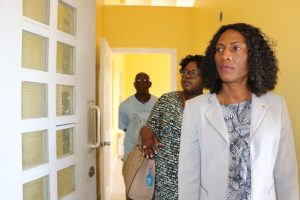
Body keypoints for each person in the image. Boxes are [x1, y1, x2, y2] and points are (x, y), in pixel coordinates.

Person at [178, 23, 299, 200]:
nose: (224, 55)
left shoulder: (276, 105)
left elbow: (286, 174)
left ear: (253, 57)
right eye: (219, 49)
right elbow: (189, 175)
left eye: (235, 48)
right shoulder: (196, 109)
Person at [140, 55, 204, 199]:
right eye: (184, 72)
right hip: (165, 179)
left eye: (193, 73)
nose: (187, 76)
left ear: (205, 78)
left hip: (196, 179)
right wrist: (145, 132)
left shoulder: (211, 107)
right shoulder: (166, 100)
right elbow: (149, 127)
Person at [118, 72, 157, 161]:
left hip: (152, 149)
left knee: (151, 174)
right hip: (132, 149)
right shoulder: (125, 105)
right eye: (138, 81)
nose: (142, 83)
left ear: (150, 84)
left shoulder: (158, 103)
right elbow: (125, 128)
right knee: (131, 174)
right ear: (134, 84)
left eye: (145, 81)